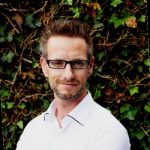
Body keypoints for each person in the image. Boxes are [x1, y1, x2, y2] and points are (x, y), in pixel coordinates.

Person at [16, 19, 131, 150]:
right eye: (58, 63)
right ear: (44, 66)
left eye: (77, 63)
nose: (68, 75)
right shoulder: (32, 130)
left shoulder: (109, 132)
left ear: (90, 66)